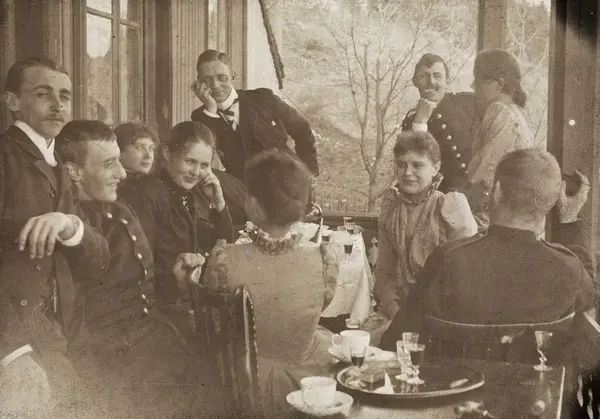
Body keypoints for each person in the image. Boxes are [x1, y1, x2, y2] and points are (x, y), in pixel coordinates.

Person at [55, 119, 227, 418]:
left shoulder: (118, 209)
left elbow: (141, 286)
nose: (122, 174)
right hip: (116, 358)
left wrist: (175, 279)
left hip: (150, 335)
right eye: (109, 164)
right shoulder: (71, 230)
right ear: (74, 172)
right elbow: (75, 318)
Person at [379, 148, 595, 351]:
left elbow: (395, 341)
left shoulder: (447, 261)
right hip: (535, 380)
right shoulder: (569, 269)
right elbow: (591, 293)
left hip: (458, 379)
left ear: (497, 191)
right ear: (550, 202)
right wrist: (569, 222)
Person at [0, 57, 109, 414]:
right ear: (12, 101)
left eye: (64, 96)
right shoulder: (5, 157)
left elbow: (99, 260)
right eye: (43, 94)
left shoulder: (58, 165)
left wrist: (69, 224)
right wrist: (12, 352)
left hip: (67, 332)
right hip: (20, 339)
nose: (58, 105)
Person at [202, 150, 338, 418]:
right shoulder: (325, 259)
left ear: (253, 205)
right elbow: (321, 305)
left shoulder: (224, 260)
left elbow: (215, 323)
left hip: (244, 384)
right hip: (311, 381)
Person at [122, 121, 234, 307]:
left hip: (180, 300)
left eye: (204, 165)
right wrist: (174, 280)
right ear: (167, 154)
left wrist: (219, 203)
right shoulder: (147, 195)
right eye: (190, 161)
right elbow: (139, 270)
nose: (196, 173)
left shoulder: (186, 194)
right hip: (158, 306)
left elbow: (222, 249)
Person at [374, 131, 477, 321]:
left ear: (435, 168)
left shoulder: (452, 207)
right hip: (397, 311)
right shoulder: (391, 207)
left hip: (442, 315)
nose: (407, 173)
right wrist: (395, 311)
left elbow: (464, 277)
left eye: (417, 165)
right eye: (401, 164)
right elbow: (384, 271)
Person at [190, 49, 319, 181]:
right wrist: (211, 109)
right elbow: (202, 158)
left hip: (286, 182)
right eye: (207, 80)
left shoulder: (263, 100)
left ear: (233, 75)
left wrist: (309, 172)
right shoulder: (202, 117)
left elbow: (302, 128)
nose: (215, 85)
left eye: (222, 77)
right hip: (244, 189)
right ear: (199, 82)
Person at [465, 49, 534, 230]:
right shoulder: (517, 114)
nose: (473, 87)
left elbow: (483, 179)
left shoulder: (499, 111)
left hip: (494, 221)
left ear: (499, 84)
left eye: (478, 80)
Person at [402, 53, 478, 193]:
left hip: (475, 193)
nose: (431, 82)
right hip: (439, 196)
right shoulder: (411, 122)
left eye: (437, 76)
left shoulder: (468, 104)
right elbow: (413, 166)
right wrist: (420, 122)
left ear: (447, 81)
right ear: (414, 81)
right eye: (424, 76)